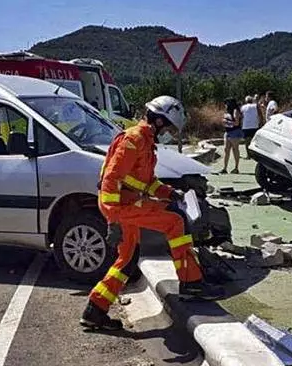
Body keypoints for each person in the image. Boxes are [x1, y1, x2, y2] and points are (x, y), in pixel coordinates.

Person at [80, 95, 225, 331]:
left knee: (127, 260)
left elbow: (146, 183)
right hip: (121, 206)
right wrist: (113, 219)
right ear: (158, 121)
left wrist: (171, 193)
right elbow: (111, 180)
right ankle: (191, 282)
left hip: (125, 204)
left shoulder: (145, 142)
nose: (168, 133)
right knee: (175, 221)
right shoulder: (134, 139)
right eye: (168, 127)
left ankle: (94, 310)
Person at [222, 98, 243, 174]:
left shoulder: (235, 111)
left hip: (235, 132)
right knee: (226, 150)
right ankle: (224, 168)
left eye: (226, 103)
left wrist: (227, 122)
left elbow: (236, 123)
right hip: (227, 132)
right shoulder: (227, 112)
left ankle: (236, 168)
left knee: (235, 149)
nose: (225, 105)